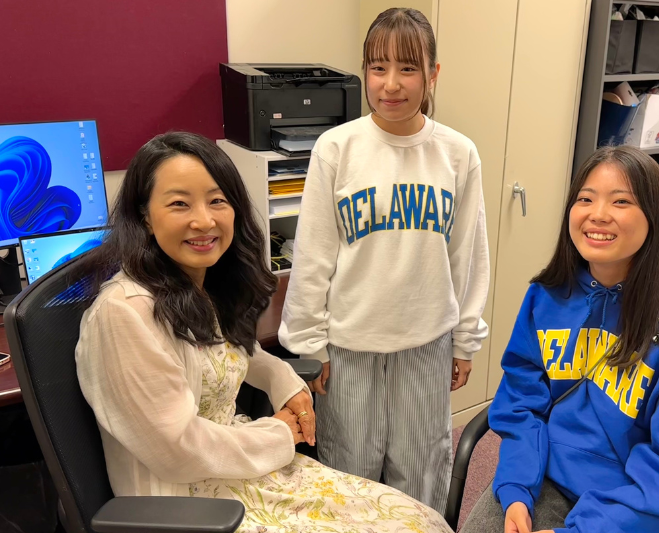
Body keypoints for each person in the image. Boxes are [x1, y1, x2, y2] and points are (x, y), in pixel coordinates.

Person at [75, 132, 453, 533]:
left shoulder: (190, 283)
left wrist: (280, 378)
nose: (204, 220)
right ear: (145, 216)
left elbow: (223, 354)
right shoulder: (124, 315)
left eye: (217, 200)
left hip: (238, 471)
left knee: (419, 519)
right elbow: (177, 450)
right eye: (179, 203)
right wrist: (279, 434)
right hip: (191, 508)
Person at [278, 7, 490, 514]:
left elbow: (468, 256)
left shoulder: (457, 154)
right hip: (350, 347)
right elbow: (313, 255)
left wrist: (466, 338)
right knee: (349, 478)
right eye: (378, 67)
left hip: (427, 343)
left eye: (408, 68)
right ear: (364, 71)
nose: (391, 84)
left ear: (433, 74)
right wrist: (311, 345)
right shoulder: (337, 148)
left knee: (420, 477)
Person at [461, 145, 659, 533]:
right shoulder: (547, 296)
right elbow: (522, 403)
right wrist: (517, 487)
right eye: (585, 199)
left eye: (621, 201)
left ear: (655, 218)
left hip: (631, 505)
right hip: (545, 479)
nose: (598, 214)